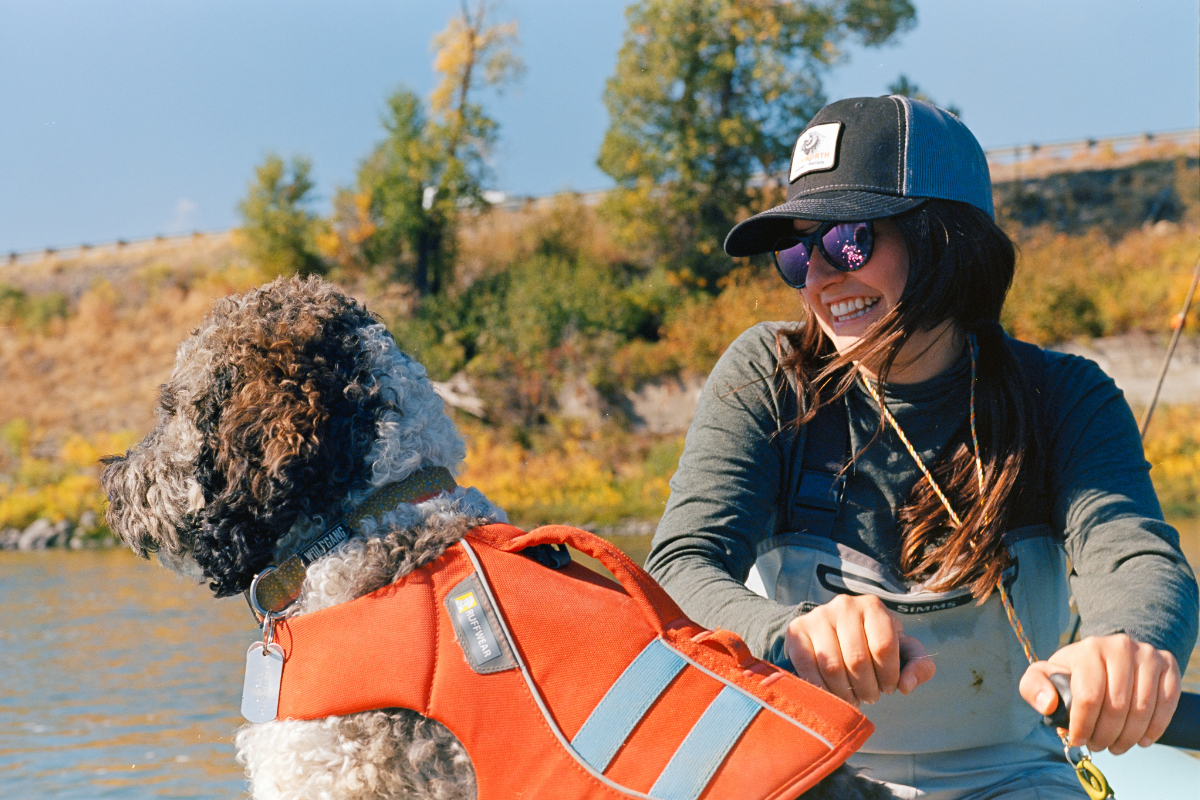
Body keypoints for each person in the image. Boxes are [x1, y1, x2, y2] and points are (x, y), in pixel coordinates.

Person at [646, 95, 1198, 799]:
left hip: (1015, 775)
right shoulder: (767, 377)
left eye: (847, 240)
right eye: (794, 251)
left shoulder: (1064, 396)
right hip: (807, 768)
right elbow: (677, 568)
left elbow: (1135, 556)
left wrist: (1130, 644)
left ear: (946, 240)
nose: (818, 276)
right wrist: (788, 633)